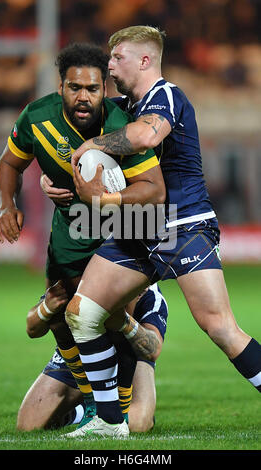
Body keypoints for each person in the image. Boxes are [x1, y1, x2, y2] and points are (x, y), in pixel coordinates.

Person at [63, 26, 261, 439]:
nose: (110, 65)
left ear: (145, 60)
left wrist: (93, 144)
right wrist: (56, 180)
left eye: (117, 58)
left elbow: (147, 134)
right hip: (139, 225)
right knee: (82, 313)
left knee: (220, 327)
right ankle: (108, 423)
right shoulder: (119, 106)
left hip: (181, 224)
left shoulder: (165, 95)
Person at [0, 42, 167, 434]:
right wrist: (8, 205)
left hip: (120, 242)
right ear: (61, 88)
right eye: (75, 88)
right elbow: (9, 162)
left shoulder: (123, 124)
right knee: (28, 425)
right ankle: (90, 406)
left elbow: (154, 191)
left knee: (137, 425)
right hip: (71, 239)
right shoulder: (38, 118)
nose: (83, 97)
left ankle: (112, 404)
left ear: (104, 88)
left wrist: (102, 197)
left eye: (92, 88)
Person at [17, 278, 168, 432]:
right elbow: (33, 329)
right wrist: (46, 308)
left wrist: (126, 323)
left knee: (137, 424)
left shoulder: (150, 295)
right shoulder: (87, 278)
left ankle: (101, 408)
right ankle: (86, 411)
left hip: (132, 356)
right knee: (28, 425)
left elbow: (152, 351)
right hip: (82, 352)